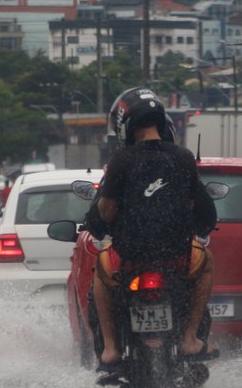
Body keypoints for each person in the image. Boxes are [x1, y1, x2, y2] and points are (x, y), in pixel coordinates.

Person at [87, 87, 219, 371]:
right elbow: (199, 206)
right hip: (175, 259)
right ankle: (189, 338)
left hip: (130, 258)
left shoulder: (121, 160)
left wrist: (101, 213)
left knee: (100, 267)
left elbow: (107, 212)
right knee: (207, 261)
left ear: (126, 123)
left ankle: (110, 349)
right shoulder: (183, 157)